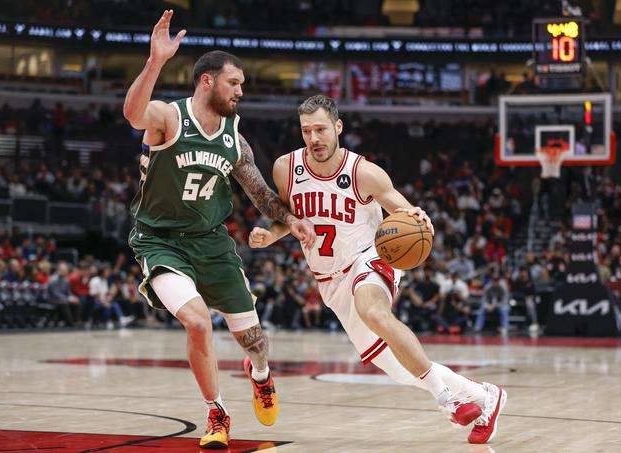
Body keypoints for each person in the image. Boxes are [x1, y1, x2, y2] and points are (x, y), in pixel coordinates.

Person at [249, 94, 506, 444]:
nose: (314, 138)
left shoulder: (363, 172)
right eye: (307, 131)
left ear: (338, 127)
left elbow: (401, 207)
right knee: (400, 370)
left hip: (370, 257)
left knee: (372, 309)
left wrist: (417, 214)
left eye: (321, 129)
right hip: (330, 279)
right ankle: (485, 395)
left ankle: (446, 402)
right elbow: (288, 218)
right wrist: (271, 235)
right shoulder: (285, 168)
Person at [123, 10, 316, 449]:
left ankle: (261, 376)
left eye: (242, 85)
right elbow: (133, 114)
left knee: (255, 342)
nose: (241, 91)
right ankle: (217, 413)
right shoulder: (169, 119)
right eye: (235, 83)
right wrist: (155, 62)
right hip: (160, 241)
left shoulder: (234, 137)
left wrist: (291, 219)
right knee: (197, 323)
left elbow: (262, 195)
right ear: (207, 81)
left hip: (212, 244)